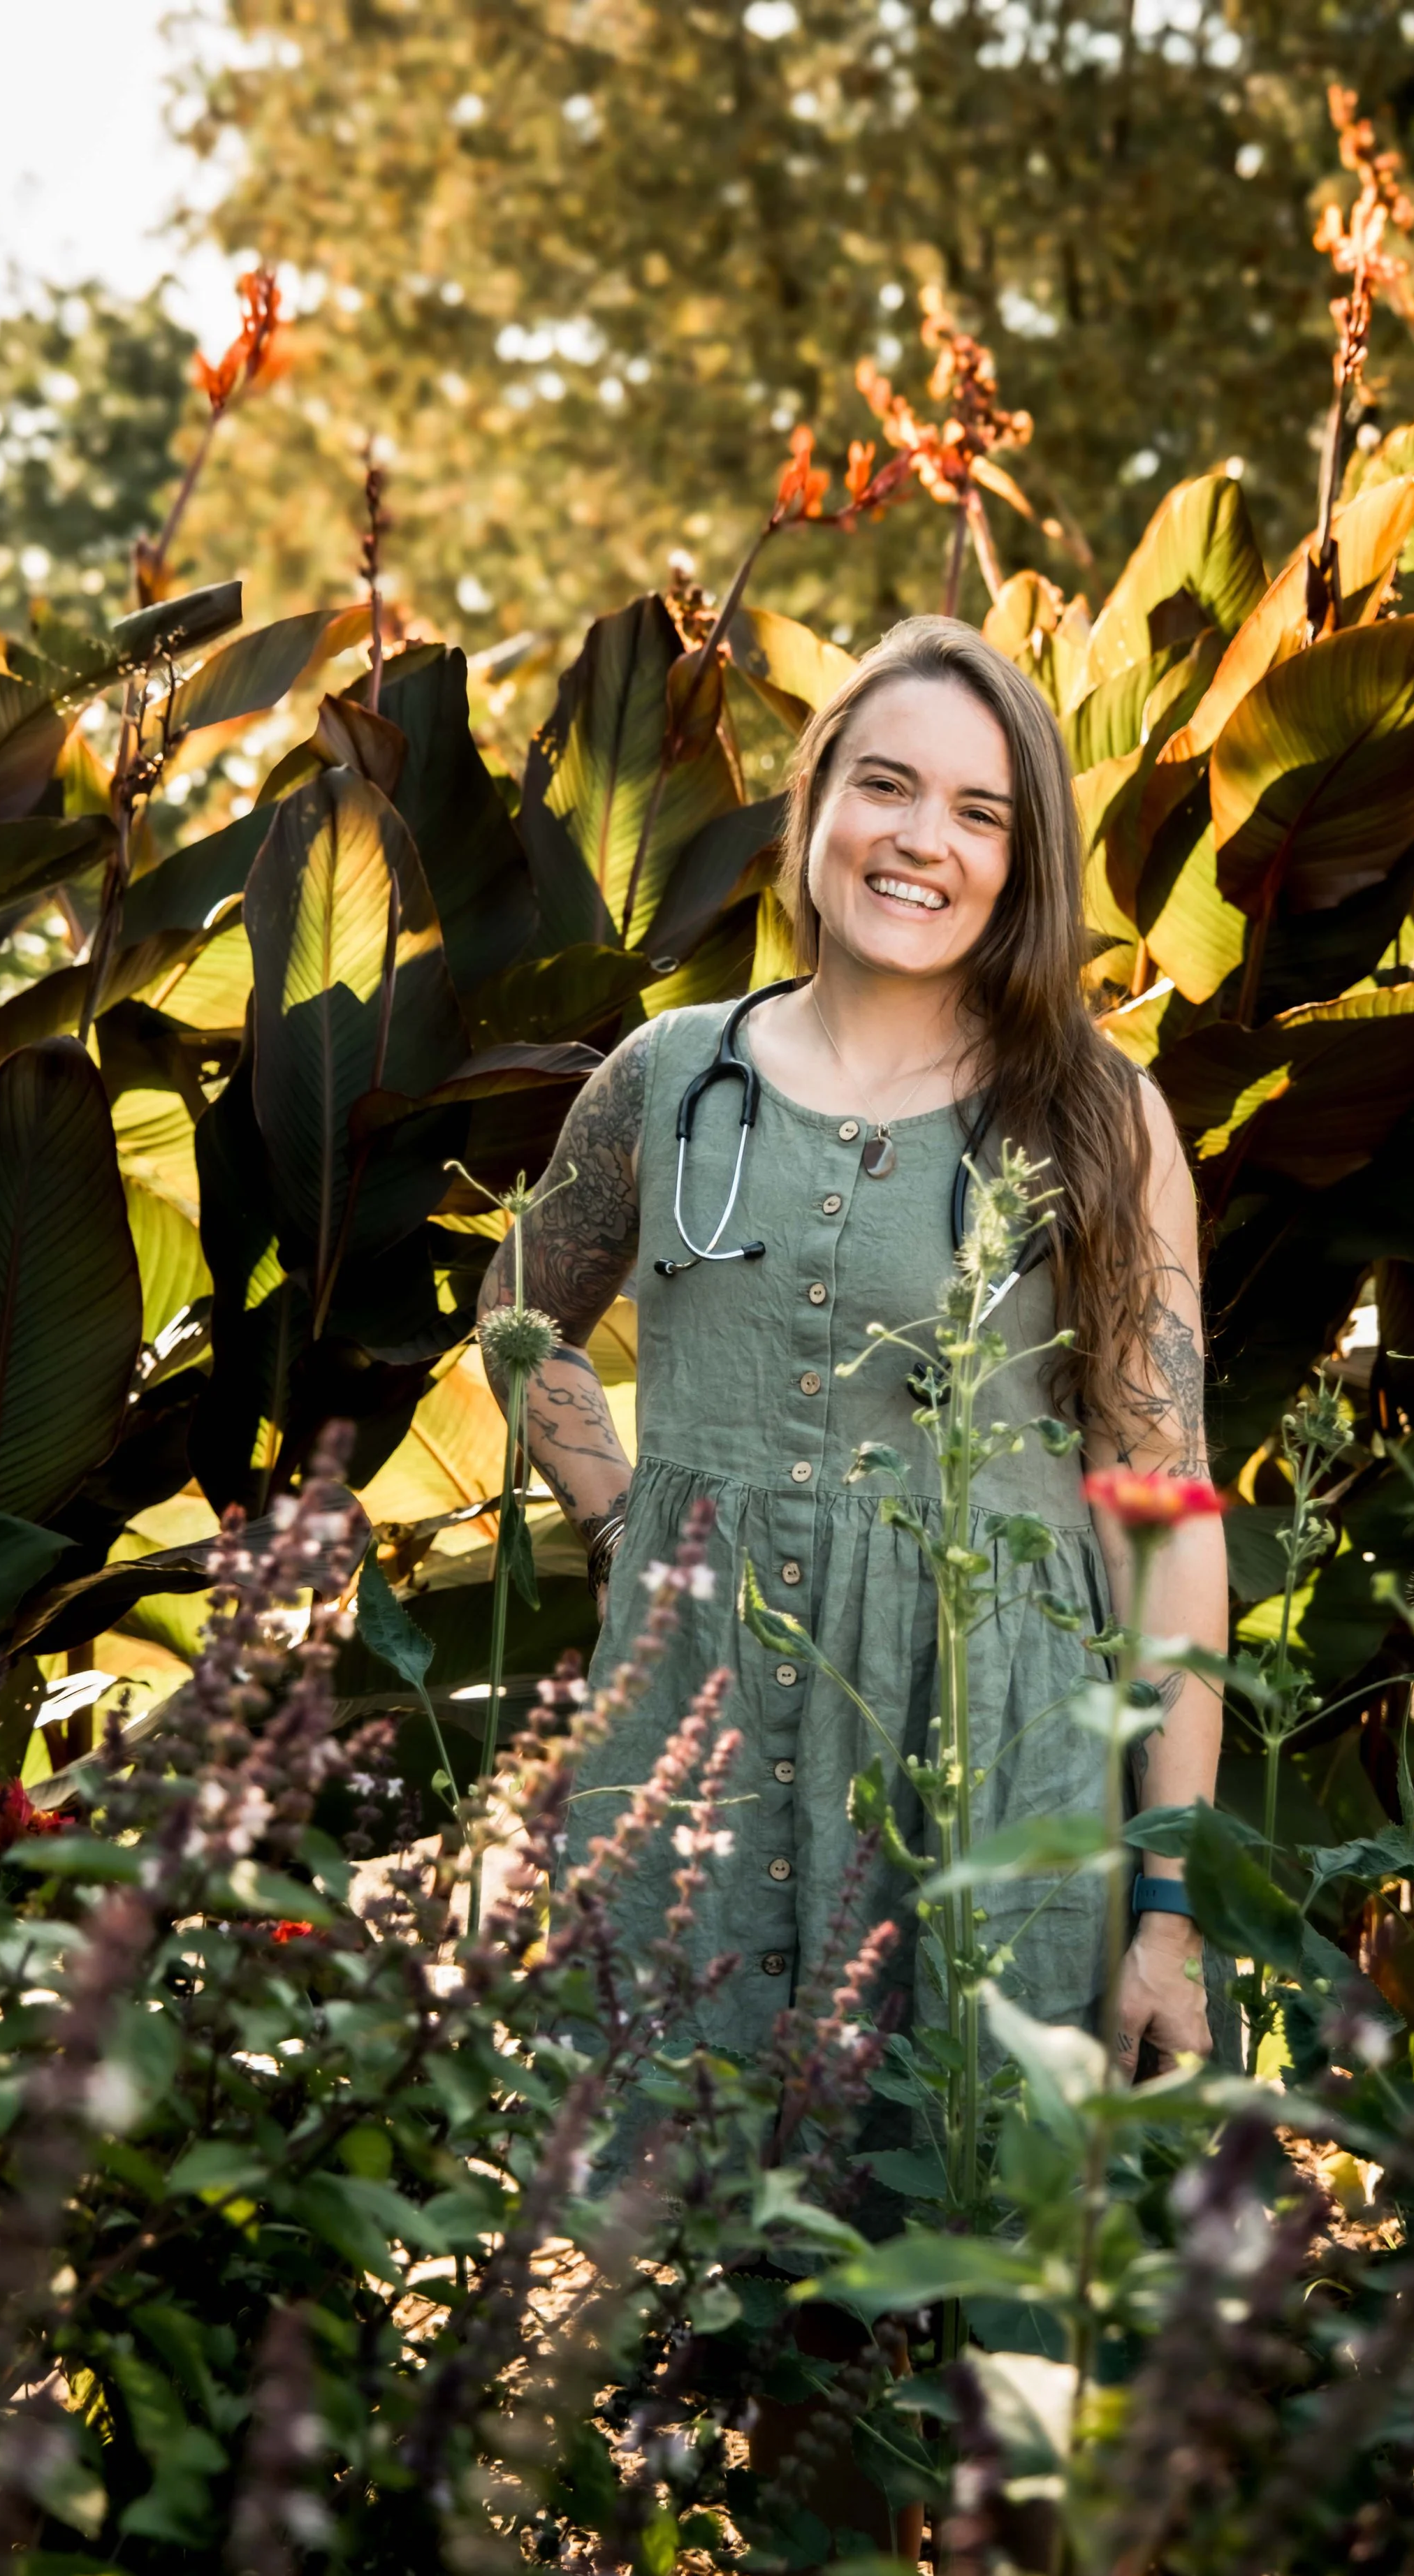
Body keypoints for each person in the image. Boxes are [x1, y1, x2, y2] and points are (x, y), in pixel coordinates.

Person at [477, 611, 1224, 2085]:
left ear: (1020, 863)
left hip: (995, 1767)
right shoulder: (665, 1077)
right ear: (815, 803)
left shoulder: (1093, 1115)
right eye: (883, 785)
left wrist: (1165, 1907)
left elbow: (1167, 1511)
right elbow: (517, 1318)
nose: (919, 840)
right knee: (636, 2216)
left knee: (958, 2224)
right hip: (687, 1755)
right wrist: (622, 1515)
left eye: (976, 811)